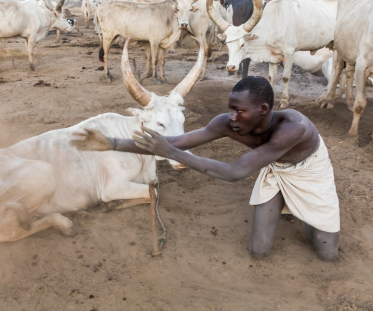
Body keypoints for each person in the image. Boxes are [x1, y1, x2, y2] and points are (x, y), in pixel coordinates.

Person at [71, 76, 340, 261]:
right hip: (274, 170)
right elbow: (172, 142)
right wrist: (112, 142)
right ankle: (288, 205)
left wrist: (173, 153)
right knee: (258, 251)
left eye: (240, 111)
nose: (232, 117)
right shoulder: (227, 123)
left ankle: (304, 215)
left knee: (327, 255)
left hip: (309, 172)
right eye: (230, 108)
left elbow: (234, 172)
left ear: (263, 109)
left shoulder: (294, 128)